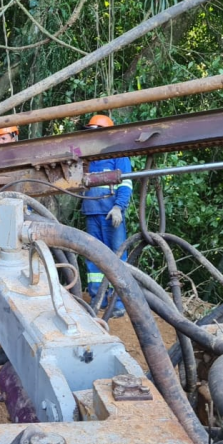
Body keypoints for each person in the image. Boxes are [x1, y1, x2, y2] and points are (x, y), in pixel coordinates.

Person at [81, 114, 133, 317]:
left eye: (95, 131)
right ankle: (97, 299)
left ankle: (119, 304)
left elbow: (126, 183)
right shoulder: (87, 158)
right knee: (93, 258)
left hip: (111, 214)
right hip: (91, 213)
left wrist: (119, 207)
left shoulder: (118, 156)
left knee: (116, 257)